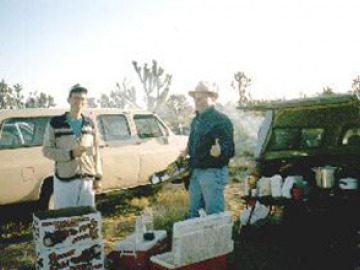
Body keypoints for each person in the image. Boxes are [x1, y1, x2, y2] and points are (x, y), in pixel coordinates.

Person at [43, 84, 103, 209]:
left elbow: (96, 151)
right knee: (66, 219)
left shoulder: (90, 123)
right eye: (75, 98)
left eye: (82, 99)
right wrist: (70, 154)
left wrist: (98, 176)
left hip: (87, 180)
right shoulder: (56, 122)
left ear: (86, 102)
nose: (79, 102)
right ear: (69, 99)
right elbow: (47, 151)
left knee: (86, 218)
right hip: (65, 180)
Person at [182, 81, 235, 218]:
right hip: (196, 172)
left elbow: (230, 147)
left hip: (212, 173)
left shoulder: (221, 120)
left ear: (212, 98)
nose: (197, 101)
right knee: (194, 214)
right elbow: (192, 140)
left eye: (201, 97)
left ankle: (218, 240)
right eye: (195, 98)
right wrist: (186, 150)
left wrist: (221, 150)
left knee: (214, 215)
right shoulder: (196, 120)